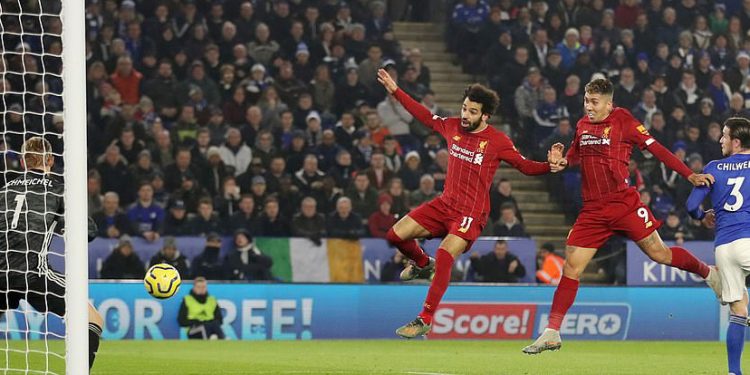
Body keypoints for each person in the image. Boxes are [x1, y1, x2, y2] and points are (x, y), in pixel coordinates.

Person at [523, 78, 721, 354]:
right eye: (586, 101)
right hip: (592, 210)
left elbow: (657, 148)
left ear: (609, 103)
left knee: (660, 255)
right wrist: (562, 161)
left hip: (623, 204)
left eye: (594, 102)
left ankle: (709, 274)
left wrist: (690, 175)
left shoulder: (624, 120)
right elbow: (576, 155)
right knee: (571, 267)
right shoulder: (582, 125)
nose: (588, 107)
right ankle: (552, 331)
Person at [376, 69, 565, 338]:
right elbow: (423, 114)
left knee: (444, 253)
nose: (465, 115)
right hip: (444, 204)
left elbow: (524, 166)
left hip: (470, 213)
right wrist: (396, 91)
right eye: (465, 108)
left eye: (472, 111)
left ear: (485, 115)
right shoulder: (451, 125)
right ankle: (421, 263)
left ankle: (425, 318)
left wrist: (549, 166)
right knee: (395, 235)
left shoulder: (498, 141)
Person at [0, 137, 103, 369]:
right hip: (33, 272)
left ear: (23, 162)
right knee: (92, 319)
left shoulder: (4, 189)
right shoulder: (58, 189)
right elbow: (89, 232)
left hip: (1, 272)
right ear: (51, 160)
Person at [686, 117, 750, 375]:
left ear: (735, 142)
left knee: (738, 310)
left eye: (724, 135)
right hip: (748, 239)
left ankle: (734, 372)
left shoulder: (713, 168)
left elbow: (691, 206)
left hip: (723, 246)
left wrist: (703, 217)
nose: (720, 140)